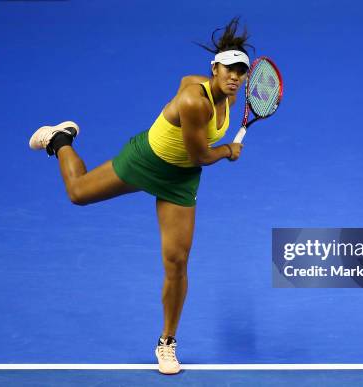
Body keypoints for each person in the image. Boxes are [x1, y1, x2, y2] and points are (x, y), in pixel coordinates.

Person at [28, 17, 252, 375]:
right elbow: (201, 156)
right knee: (77, 193)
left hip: (180, 181)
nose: (234, 78)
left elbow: (188, 151)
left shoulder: (214, 91)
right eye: (228, 70)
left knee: (176, 262)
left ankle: (167, 342)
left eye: (240, 73)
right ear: (215, 68)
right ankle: (60, 140)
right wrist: (228, 151)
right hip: (145, 160)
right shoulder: (197, 101)